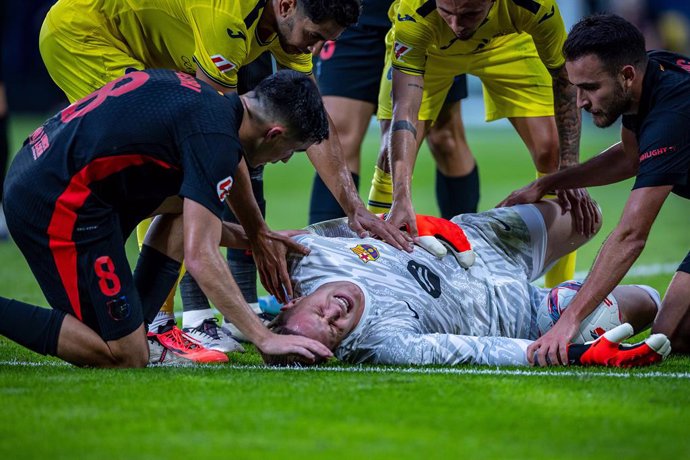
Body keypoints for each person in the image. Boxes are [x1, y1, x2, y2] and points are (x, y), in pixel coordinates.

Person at [38, 0, 412, 357]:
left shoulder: (290, 21)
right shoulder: (226, 18)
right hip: (86, 35)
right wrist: (257, 232)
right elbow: (220, 139)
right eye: (314, 36)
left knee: (180, 164)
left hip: (144, 48)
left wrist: (354, 207)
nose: (313, 49)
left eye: (323, 42)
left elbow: (313, 118)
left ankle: (155, 316)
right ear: (285, 7)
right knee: (170, 163)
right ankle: (158, 322)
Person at [0, 68, 333, 367]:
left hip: (45, 171)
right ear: (274, 134)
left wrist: (256, 235)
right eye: (293, 150)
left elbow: (200, 211)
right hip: (55, 202)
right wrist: (264, 337)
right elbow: (200, 256)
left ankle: (131, 325)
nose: (287, 160)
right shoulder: (214, 141)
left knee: (187, 211)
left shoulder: (210, 105)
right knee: (125, 355)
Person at [499, 13, 690, 365]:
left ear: (626, 76)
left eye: (590, 88)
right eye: (576, 88)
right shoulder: (648, 79)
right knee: (674, 334)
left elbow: (631, 235)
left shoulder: (673, 112)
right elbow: (631, 159)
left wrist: (567, 323)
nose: (580, 102)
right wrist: (548, 183)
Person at [265, 201, 670, 367]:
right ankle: (568, 302)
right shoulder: (383, 342)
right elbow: (479, 350)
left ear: (291, 302)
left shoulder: (305, 263)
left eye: (320, 311)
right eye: (334, 328)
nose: (336, 312)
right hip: (517, 309)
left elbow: (227, 235)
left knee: (585, 212)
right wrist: (578, 353)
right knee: (653, 306)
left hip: (479, 240)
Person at [366, 0, 597, 289]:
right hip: (432, 51)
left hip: (507, 44)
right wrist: (402, 194)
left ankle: (558, 293)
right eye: (447, 13)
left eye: (469, 14)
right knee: (390, 158)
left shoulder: (536, 7)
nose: (456, 26)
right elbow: (405, 108)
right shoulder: (414, 11)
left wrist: (570, 168)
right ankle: (374, 280)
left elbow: (565, 81)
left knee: (553, 156)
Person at [310, 0, 476, 224]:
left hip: (425, 13)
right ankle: (329, 250)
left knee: (445, 137)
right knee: (337, 132)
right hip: (355, 16)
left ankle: (463, 241)